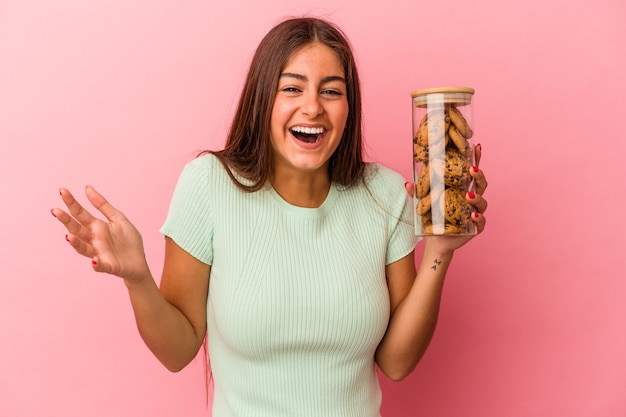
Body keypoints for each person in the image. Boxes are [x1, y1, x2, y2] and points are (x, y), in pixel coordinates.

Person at [51, 16, 488, 417]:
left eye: (332, 91)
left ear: (349, 107)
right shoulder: (208, 185)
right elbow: (178, 351)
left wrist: (439, 250)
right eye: (292, 88)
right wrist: (137, 277)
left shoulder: (386, 194)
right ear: (263, 99)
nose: (313, 107)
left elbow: (395, 363)